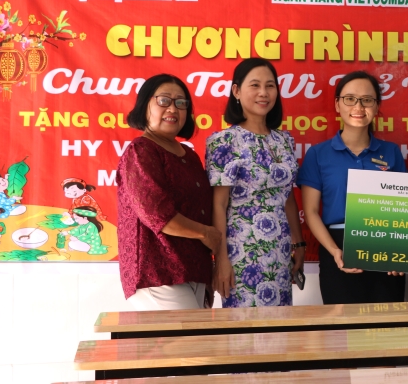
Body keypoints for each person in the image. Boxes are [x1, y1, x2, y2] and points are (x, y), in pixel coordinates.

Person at [298, 71, 407, 304]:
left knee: (388, 324)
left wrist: (399, 251)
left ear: (377, 106)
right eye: (350, 99)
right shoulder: (318, 154)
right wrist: (335, 251)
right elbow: (311, 212)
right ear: (337, 104)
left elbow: (403, 209)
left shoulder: (391, 152)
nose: (358, 106)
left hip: (386, 246)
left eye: (367, 100)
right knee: (342, 326)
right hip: (337, 247)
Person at [116, 73, 221, 310]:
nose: (173, 109)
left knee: (197, 336)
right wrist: (206, 233)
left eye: (181, 103)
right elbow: (157, 214)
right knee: (179, 335)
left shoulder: (190, 156)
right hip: (157, 273)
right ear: (145, 105)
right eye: (164, 100)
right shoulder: (141, 151)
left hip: (195, 270)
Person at [207, 58, 305, 308]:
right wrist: (221, 260)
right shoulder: (224, 141)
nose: (263, 93)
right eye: (255, 85)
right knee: (244, 328)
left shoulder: (285, 140)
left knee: (281, 327)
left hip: (280, 253)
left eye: (270, 86)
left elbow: (288, 198)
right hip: (241, 255)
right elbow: (218, 205)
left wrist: (298, 244)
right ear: (236, 91)